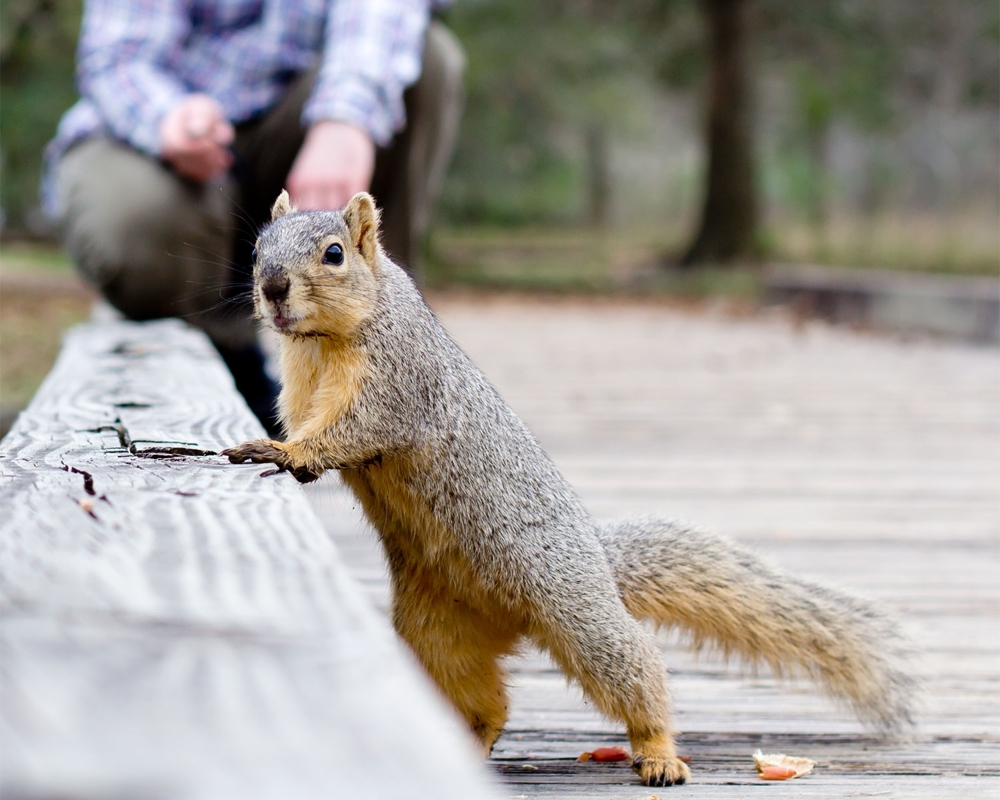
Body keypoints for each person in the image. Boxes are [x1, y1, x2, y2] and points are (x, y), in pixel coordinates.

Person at [43, 0, 464, 434]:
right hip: (158, 122)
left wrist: (347, 114)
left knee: (428, 54)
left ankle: (381, 361)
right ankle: (228, 353)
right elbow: (116, 56)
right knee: (137, 228)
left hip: (305, 104)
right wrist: (166, 118)